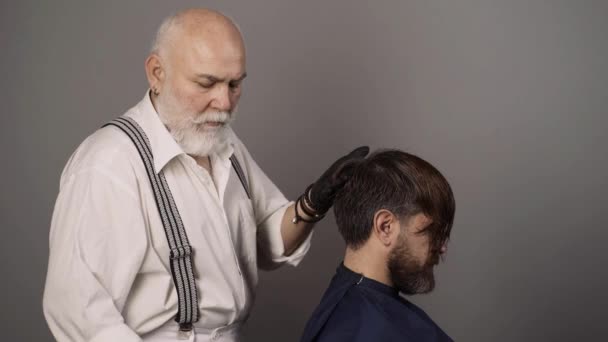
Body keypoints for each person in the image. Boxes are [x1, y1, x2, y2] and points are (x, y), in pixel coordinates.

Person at [43, 8, 368, 342]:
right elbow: (76, 310)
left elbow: (266, 242)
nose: (224, 102)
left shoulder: (223, 143)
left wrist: (313, 204)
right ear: (157, 73)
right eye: (206, 83)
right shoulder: (109, 163)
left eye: (234, 84)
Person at [300, 149, 456, 342]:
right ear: (385, 227)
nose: (442, 248)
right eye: (431, 231)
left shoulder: (346, 307)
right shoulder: (363, 330)